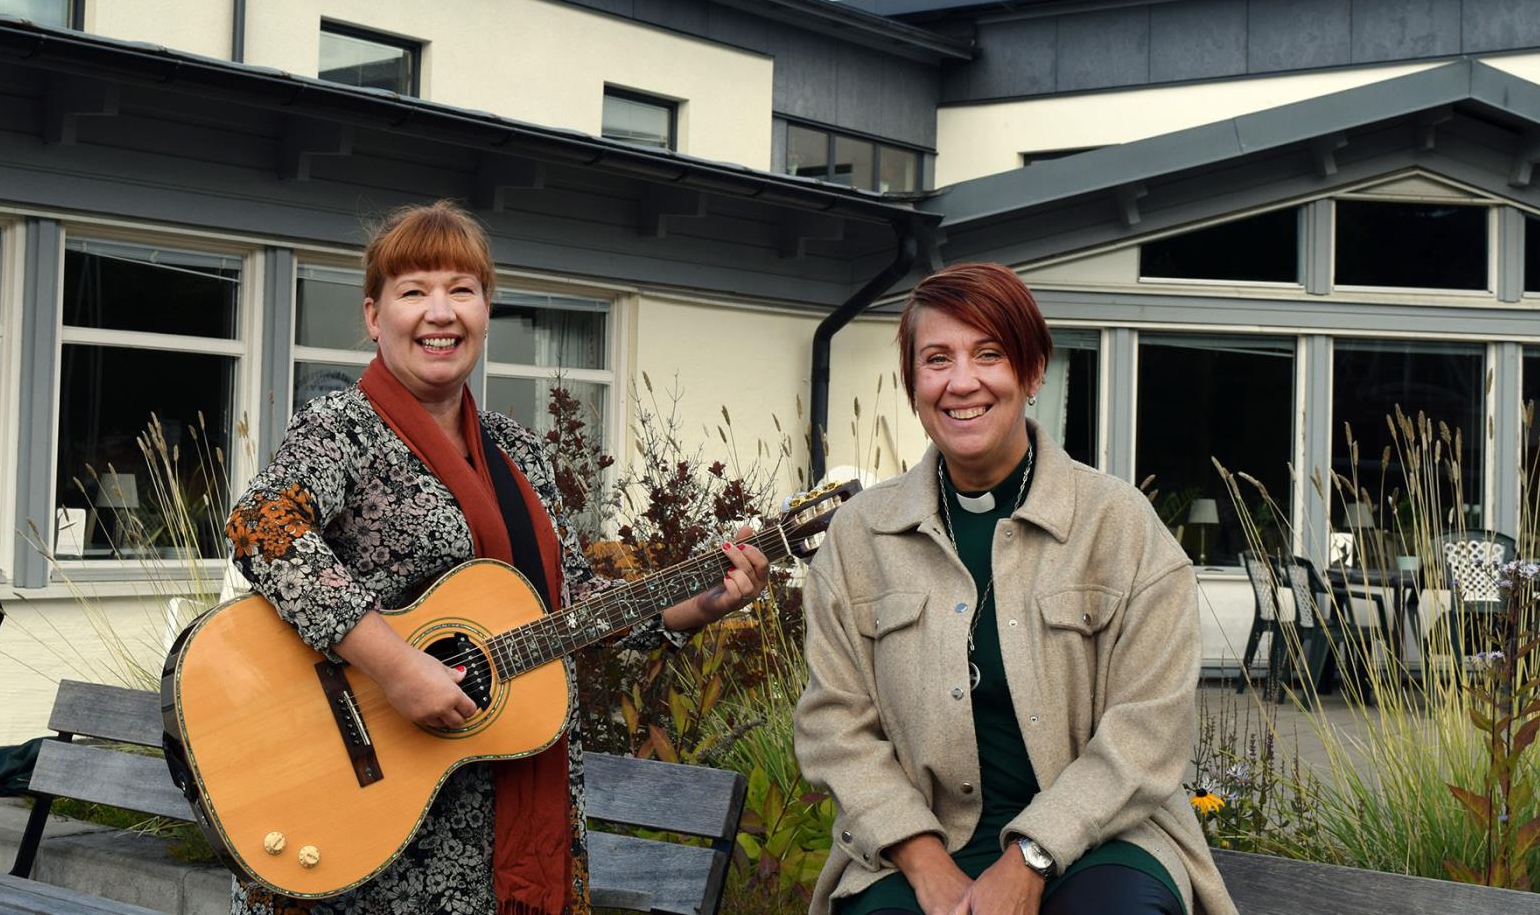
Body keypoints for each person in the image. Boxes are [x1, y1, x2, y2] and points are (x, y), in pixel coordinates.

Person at [224, 200, 770, 915]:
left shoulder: (518, 450)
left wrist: (701, 602)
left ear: (487, 309)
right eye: (414, 291)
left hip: (503, 807)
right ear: (373, 314)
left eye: (462, 289)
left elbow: (566, 600)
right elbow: (263, 525)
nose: (440, 312)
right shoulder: (341, 428)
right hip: (376, 812)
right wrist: (396, 664)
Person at [793, 263, 1235, 915]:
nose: (961, 381)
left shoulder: (1120, 526)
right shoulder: (861, 536)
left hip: (1109, 838)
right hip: (921, 845)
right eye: (936, 358)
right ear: (914, 382)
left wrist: (1031, 854)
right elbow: (835, 724)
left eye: (989, 354)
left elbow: (1150, 727)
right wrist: (925, 862)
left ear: (1031, 373)